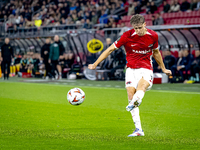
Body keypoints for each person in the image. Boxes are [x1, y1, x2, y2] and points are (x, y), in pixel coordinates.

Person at [88, 14, 171, 137]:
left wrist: (163, 68)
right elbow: (110, 49)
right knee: (130, 95)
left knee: (141, 87)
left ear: (145, 24)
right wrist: (95, 64)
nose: (138, 31)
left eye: (140, 27)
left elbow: (156, 52)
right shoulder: (127, 36)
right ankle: (138, 129)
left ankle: (136, 101)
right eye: (135, 28)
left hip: (146, 68)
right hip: (131, 70)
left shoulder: (153, 36)